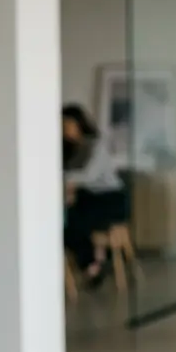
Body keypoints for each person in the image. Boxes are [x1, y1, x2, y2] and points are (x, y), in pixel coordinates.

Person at [62, 104, 128, 286]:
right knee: (65, 221)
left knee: (74, 220)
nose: (66, 130)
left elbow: (89, 175)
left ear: (79, 124)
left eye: (69, 124)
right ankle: (94, 259)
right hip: (86, 198)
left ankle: (93, 262)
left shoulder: (97, 146)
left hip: (110, 198)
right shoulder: (67, 150)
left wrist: (66, 181)